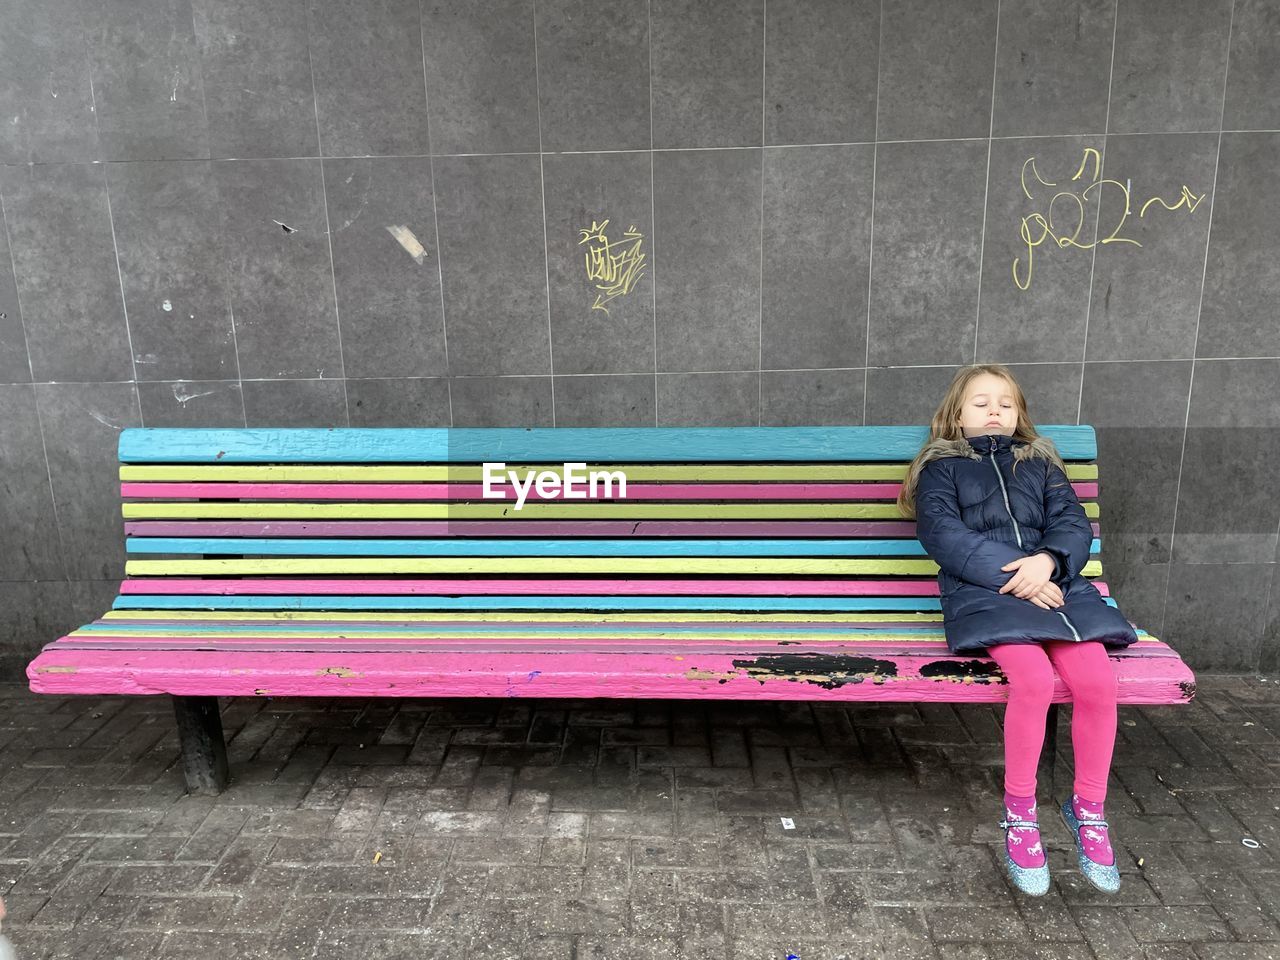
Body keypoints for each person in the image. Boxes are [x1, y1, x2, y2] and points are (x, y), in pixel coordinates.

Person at [896, 363, 1139, 897]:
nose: (994, 412)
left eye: (1005, 404)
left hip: (1057, 587)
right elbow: (942, 534)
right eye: (981, 403)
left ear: (1019, 415)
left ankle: (1089, 809)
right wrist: (1021, 576)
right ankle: (1020, 812)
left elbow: (1071, 523)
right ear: (957, 415)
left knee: (1097, 683)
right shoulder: (942, 469)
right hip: (986, 593)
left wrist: (1049, 561)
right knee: (1031, 682)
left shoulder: (1041, 465)